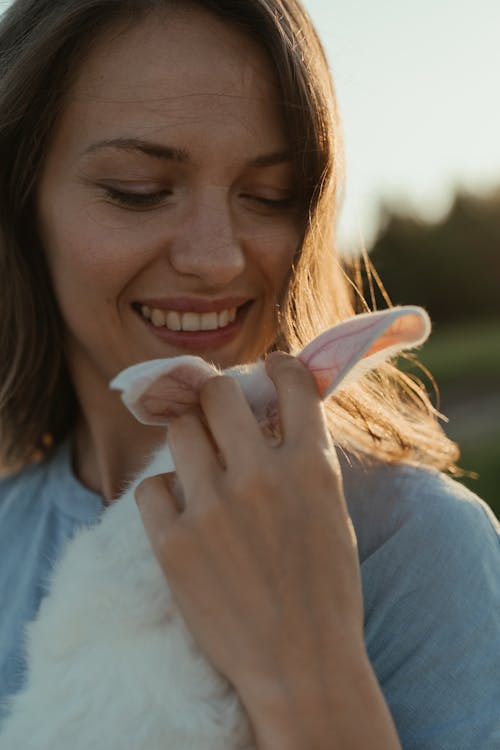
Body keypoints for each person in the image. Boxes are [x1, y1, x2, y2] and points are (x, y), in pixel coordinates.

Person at [0, 0, 498, 747]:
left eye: (271, 197)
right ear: (20, 204)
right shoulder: (9, 533)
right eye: (137, 189)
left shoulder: (415, 543)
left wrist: (307, 672)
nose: (218, 258)